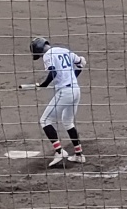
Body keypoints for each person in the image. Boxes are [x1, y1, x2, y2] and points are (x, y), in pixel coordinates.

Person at [24, 36, 86, 165]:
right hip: (76, 90)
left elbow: (53, 73)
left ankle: (59, 151)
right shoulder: (64, 50)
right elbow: (81, 63)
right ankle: (79, 154)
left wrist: (44, 85)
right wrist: (71, 78)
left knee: (45, 121)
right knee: (68, 121)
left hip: (65, 93)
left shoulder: (48, 55)